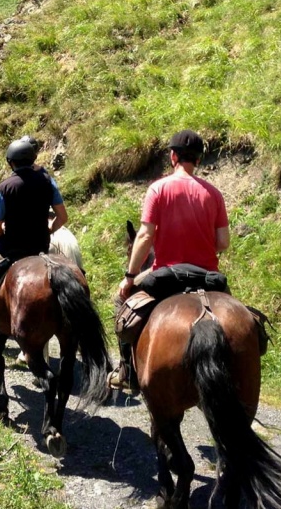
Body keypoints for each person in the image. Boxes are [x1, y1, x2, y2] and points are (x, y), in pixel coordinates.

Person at [110, 129, 230, 390]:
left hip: (167, 275)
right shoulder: (214, 194)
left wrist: (130, 277)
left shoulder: (158, 189)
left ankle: (127, 372)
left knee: (121, 301)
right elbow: (223, 243)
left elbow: (144, 236)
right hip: (208, 276)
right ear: (198, 159)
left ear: (172, 156)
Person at [0, 136, 68, 330]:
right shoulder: (48, 182)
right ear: (33, 159)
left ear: (11, 162)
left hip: (11, 246)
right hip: (40, 244)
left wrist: (1, 232)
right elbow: (62, 217)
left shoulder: (4, 188)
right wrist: (49, 230)